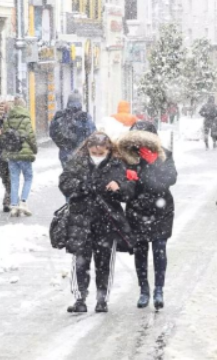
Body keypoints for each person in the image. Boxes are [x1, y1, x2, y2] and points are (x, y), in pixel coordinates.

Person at [59, 132, 135, 314]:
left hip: (106, 219)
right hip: (81, 218)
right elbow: (65, 183)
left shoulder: (117, 164)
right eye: (94, 151)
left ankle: (102, 299)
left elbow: (128, 190)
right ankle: (80, 298)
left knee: (104, 261)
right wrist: (82, 186)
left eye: (101, 152)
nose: (97, 155)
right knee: (80, 260)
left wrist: (119, 186)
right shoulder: (77, 161)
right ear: (88, 148)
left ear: (108, 149)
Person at [118, 121, 178, 310]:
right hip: (137, 208)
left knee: (159, 248)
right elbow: (120, 184)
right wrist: (128, 178)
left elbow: (170, 179)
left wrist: (154, 164)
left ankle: (159, 289)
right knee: (140, 250)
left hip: (161, 209)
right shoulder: (127, 156)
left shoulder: (163, 154)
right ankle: (144, 289)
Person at [2, 96, 38, 217]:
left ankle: (13, 205)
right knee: (28, 177)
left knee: (14, 180)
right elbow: (31, 136)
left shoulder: (8, 119)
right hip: (24, 153)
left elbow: (4, 137)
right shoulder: (26, 119)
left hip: (12, 154)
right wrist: (34, 149)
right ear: (23, 106)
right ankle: (23, 202)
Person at [50, 91, 96, 168]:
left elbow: (52, 132)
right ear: (80, 102)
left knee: (67, 176)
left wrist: (62, 145)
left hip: (64, 153)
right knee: (80, 177)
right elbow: (92, 133)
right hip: (81, 153)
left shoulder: (60, 115)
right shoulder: (84, 116)